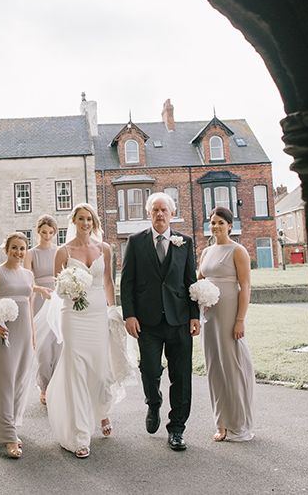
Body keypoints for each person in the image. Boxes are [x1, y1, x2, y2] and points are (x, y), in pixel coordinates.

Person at [120, 191, 200, 451]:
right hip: (148, 322)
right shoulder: (135, 242)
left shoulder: (184, 243)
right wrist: (129, 314)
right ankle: (153, 403)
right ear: (148, 214)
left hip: (179, 321)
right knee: (150, 370)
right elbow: (127, 282)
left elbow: (191, 282)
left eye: (164, 210)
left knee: (182, 377)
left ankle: (177, 429)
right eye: (155, 210)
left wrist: (194, 315)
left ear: (172, 214)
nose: (159, 214)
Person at [45, 203, 115, 459]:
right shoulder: (63, 251)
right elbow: (57, 288)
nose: (85, 223)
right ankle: (79, 435)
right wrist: (70, 291)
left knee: (99, 368)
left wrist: (113, 311)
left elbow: (107, 282)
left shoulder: (105, 249)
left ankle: (101, 410)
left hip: (97, 315)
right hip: (73, 316)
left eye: (89, 219)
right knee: (76, 370)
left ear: (94, 222)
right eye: (81, 219)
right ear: (73, 221)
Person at [0, 232, 49, 458]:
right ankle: (8, 437)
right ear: (6, 249)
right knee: (3, 383)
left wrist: (33, 336)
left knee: (19, 382)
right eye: (14, 248)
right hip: (2, 334)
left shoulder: (28, 275)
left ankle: (12, 426)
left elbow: (28, 305)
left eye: (22, 248)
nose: (18, 252)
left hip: (25, 334)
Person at [198, 206, 255, 441]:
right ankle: (221, 423)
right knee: (214, 367)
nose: (216, 227)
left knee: (232, 366)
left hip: (230, 315)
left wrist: (240, 320)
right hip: (209, 316)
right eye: (213, 223)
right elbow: (199, 278)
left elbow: (246, 287)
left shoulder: (238, 251)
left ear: (230, 225)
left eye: (221, 222)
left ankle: (238, 424)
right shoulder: (205, 252)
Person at [28, 215, 60, 405]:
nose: (47, 236)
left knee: (58, 344)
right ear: (38, 231)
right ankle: (44, 386)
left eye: (50, 232)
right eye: (43, 232)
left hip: (57, 298)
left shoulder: (59, 251)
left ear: (54, 233)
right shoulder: (31, 253)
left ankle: (56, 385)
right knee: (42, 347)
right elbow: (26, 278)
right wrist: (39, 289)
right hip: (39, 299)